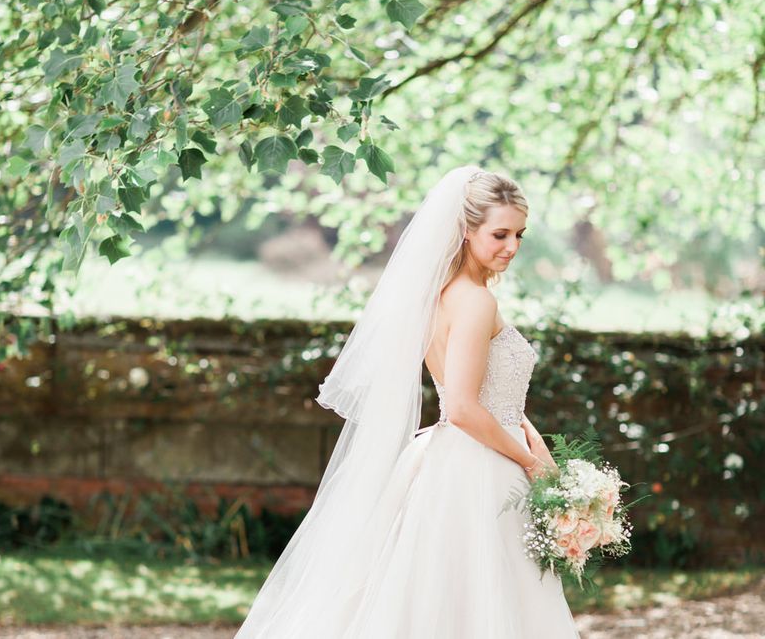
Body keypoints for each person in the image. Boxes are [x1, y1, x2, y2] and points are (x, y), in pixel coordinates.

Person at [234, 165, 581, 638]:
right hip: (482, 467)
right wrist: (530, 462)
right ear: (466, 229)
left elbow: (501, 402)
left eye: (519, 234)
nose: (512, 247)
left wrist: (542, 456)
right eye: (500, 234)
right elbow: (460, 406)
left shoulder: (441, 297)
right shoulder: (474, 301)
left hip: (460, 457)